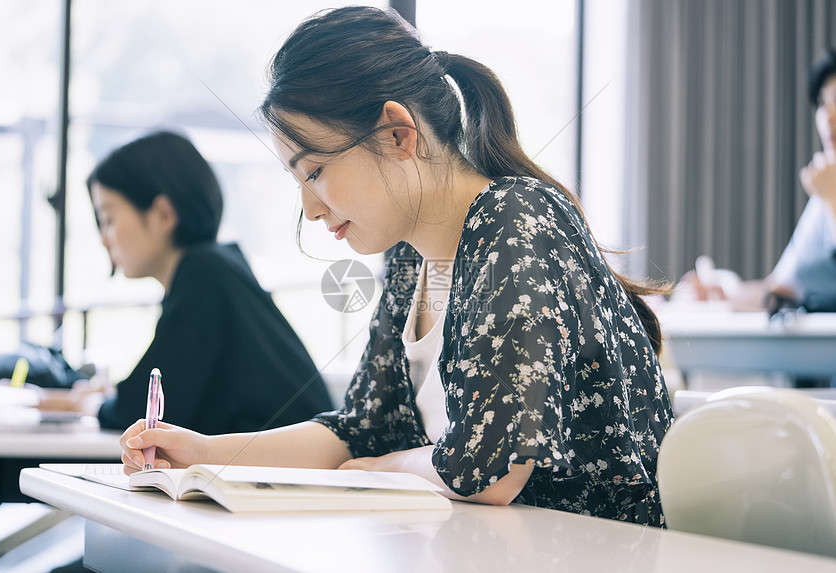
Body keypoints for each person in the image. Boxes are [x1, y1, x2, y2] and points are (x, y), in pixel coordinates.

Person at [120, 7, 674, 526]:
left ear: (396, 133)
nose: (310, 210)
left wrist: (388, 467)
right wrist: (205, 454)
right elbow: (360, 434)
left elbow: (493, 470)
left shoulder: (516, 218)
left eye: (314, 171)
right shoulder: (412, 260)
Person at [57, 130, 332, 434]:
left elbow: (141, 412)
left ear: (163, 214)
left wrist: (88, 405)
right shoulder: (215, 268)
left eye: (108, 219)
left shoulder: (204, 275)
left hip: (287, 473)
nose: (103, 238)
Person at [677, 49, 836, 313]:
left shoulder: (827, 192)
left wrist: (832, 201)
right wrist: (719, 294)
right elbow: (779, 288)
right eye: (822, 103)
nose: (828, 116)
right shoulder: (824, 193)